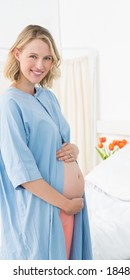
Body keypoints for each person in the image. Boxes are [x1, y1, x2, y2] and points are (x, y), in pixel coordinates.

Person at [0, 25, 92, 260]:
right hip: (42, 210)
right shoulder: (10, 105)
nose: (40, 65)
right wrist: (65, 204)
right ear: (17, 54)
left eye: (47, 58)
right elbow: (21, 172)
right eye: (33, 56)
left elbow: (60, 146)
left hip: (68, 209)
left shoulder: (47, 96)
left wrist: (75, 149)